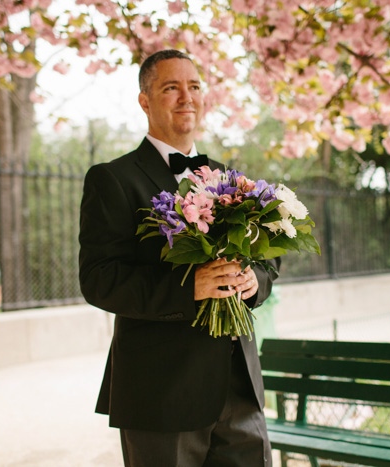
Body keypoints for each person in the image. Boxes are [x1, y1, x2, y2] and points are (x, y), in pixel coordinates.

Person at [78, 49, 280, 467]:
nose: (186, 97)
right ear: (144, 100)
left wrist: (254, 279)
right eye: (171, 87)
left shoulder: (228, 178)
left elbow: (268, 259)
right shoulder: (113, 178)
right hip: (162, 394)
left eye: (194, 86)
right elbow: (99, 279)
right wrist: (191, 288)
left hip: (240, 388)